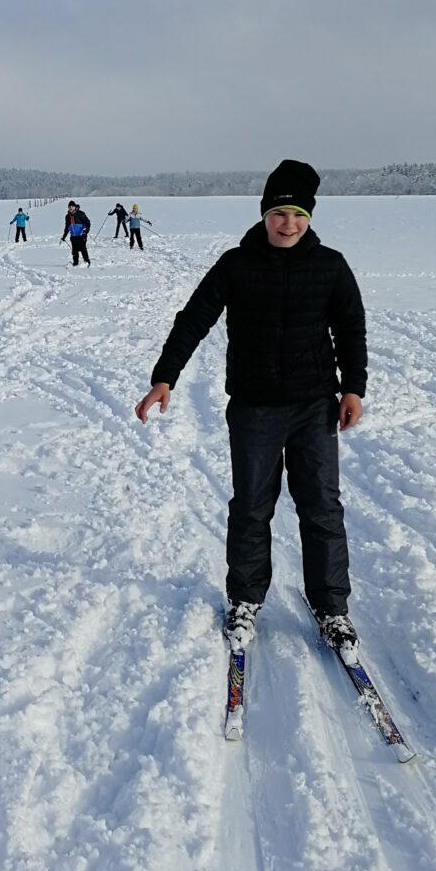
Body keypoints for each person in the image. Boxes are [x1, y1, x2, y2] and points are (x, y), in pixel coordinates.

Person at [133, 160, 366, 658]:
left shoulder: (330, 266)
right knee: (252, 507)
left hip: (313, 407)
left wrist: (353, 388)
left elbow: (351, 329)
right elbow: (193, 319)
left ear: (310, 217)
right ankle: (244, 600)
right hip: (254, 409)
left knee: (322, 507)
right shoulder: (235, 265)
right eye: (280, 213)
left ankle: (331, 607)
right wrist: (165, 377)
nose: (289, 224)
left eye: (298, 214)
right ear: (264, 214)